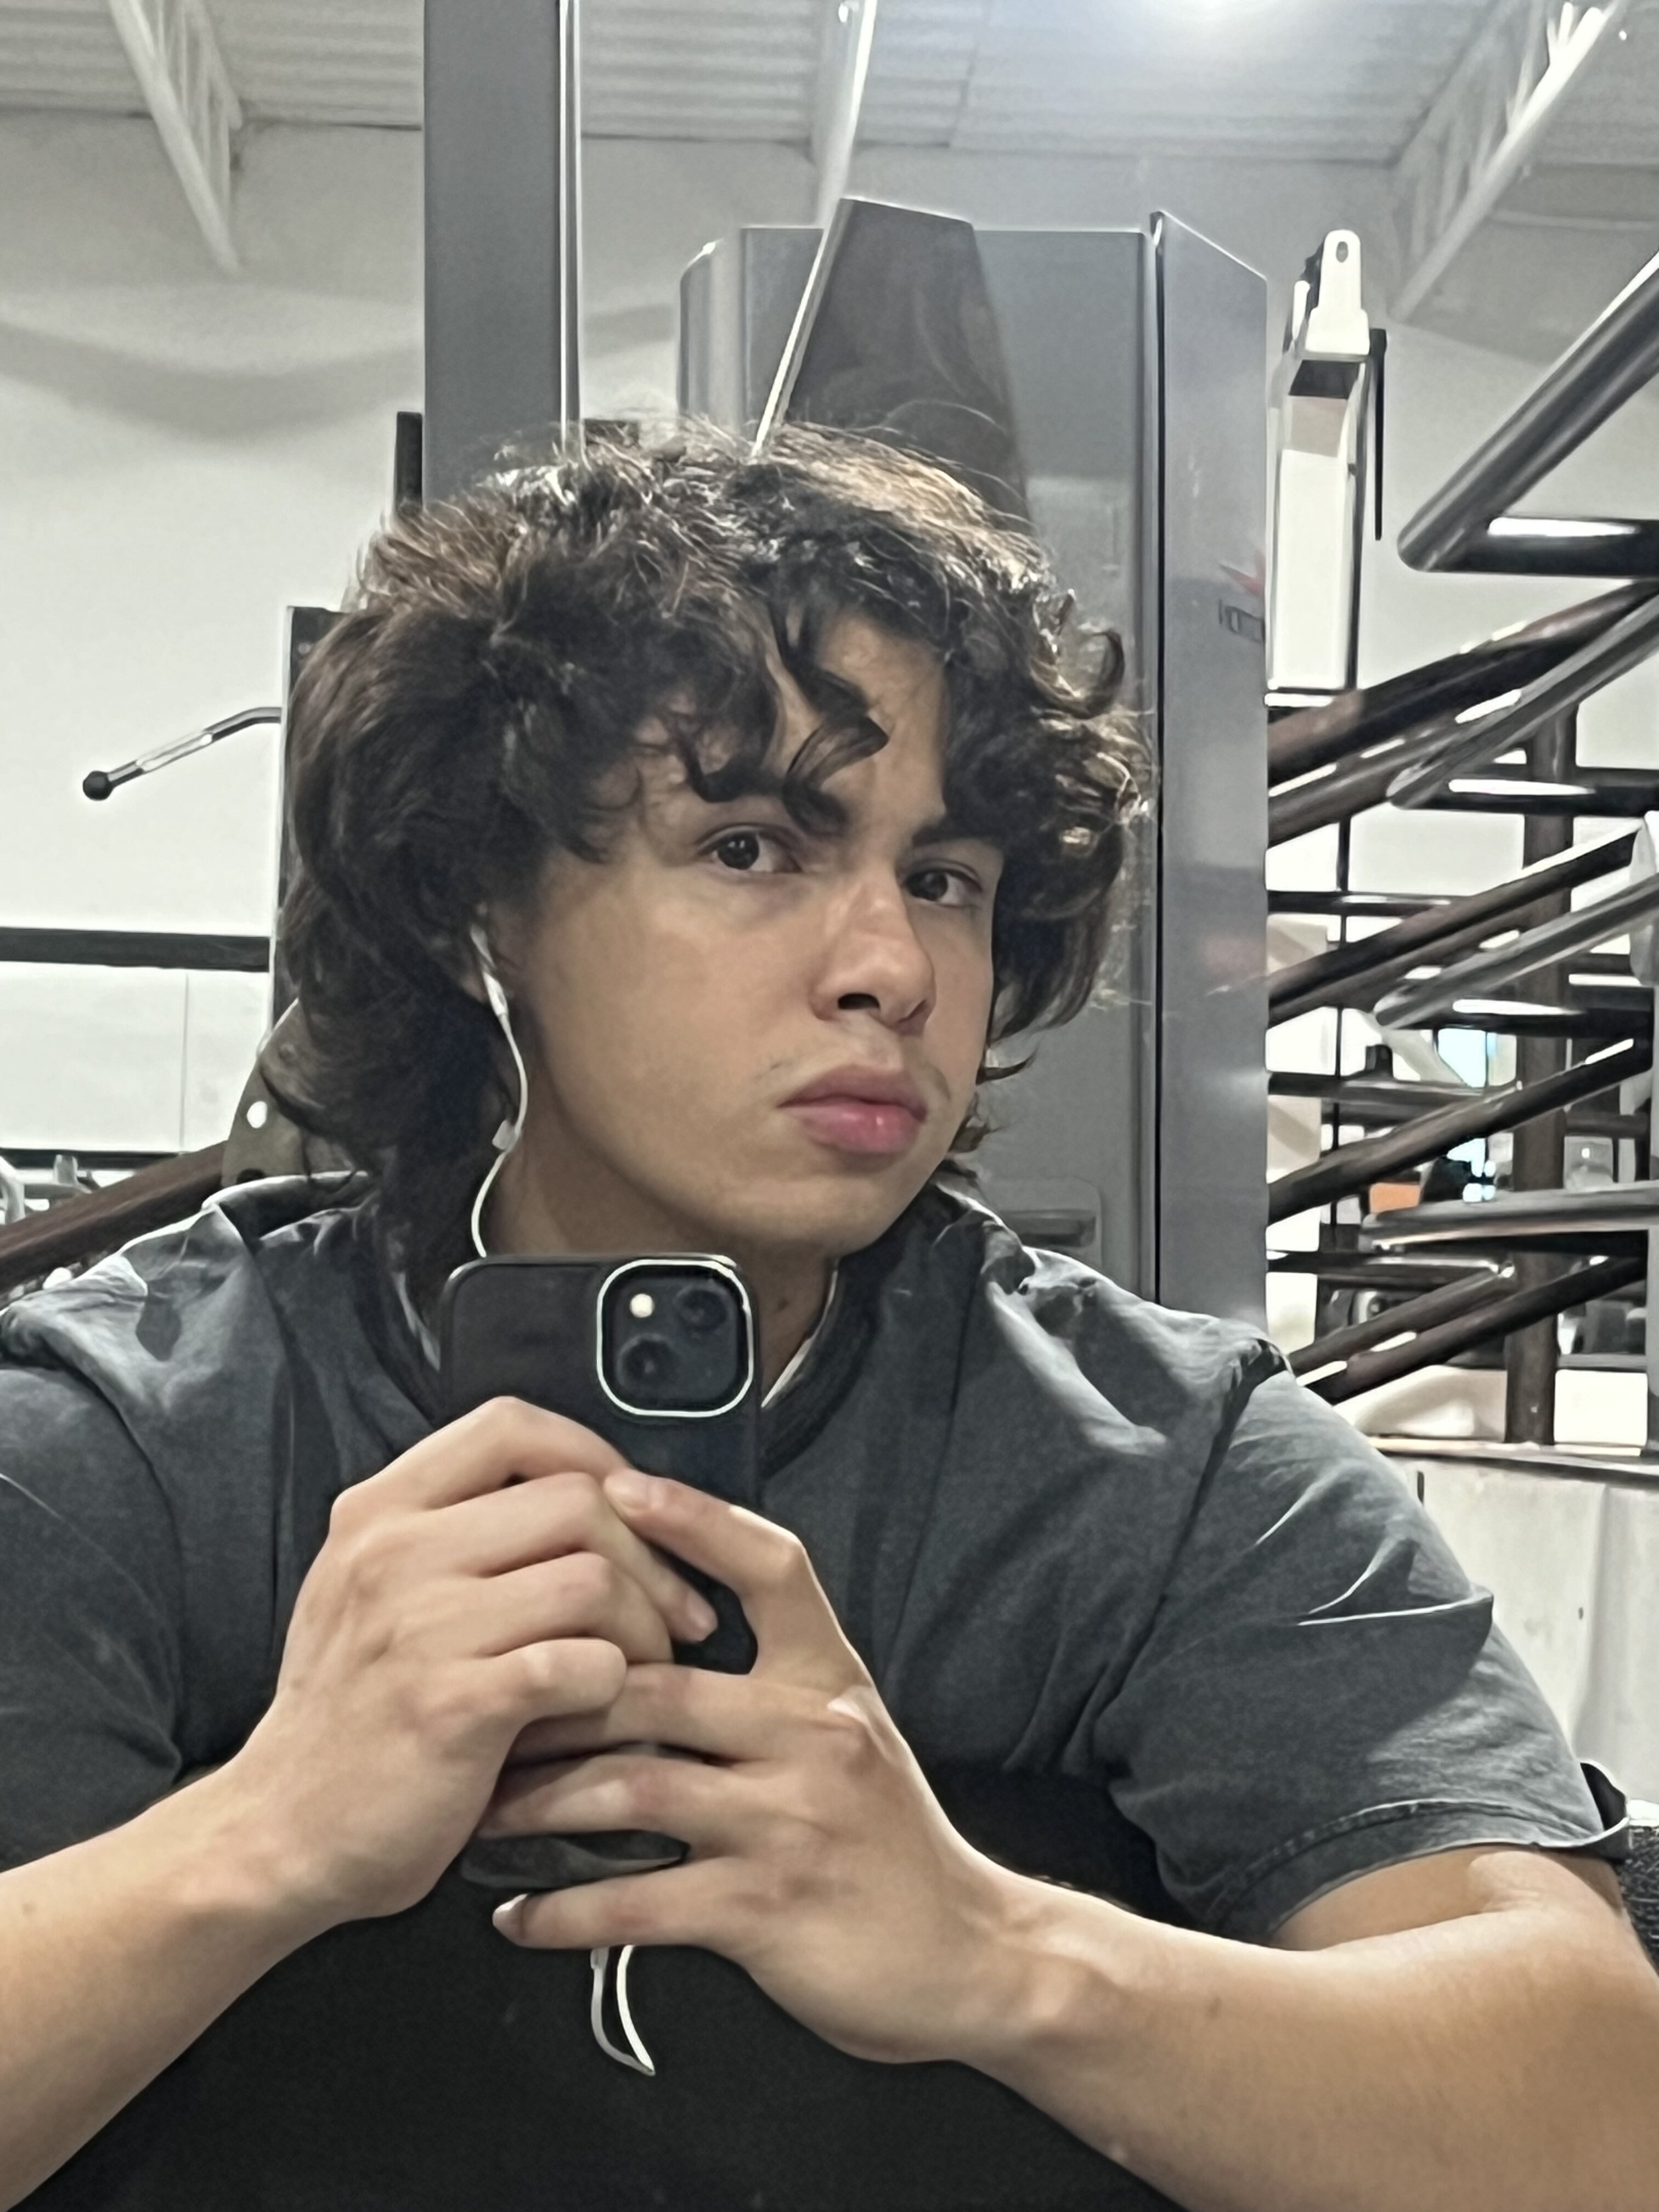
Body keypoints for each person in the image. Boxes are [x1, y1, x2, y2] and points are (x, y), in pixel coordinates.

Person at [0, 425, 1655, 2212]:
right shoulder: (130, 1437)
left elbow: (1593, 2122)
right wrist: (267, 1835)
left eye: (943, 878)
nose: (893, 966)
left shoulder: (1169, 1468)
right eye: (750, 848)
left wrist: (996, 1951)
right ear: (484, 909)